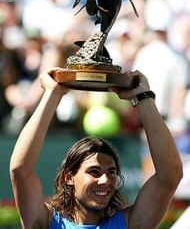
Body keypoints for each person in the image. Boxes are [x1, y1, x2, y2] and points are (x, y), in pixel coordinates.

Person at [9, 67, 183, 229]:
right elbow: (20, 170)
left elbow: (170, 175)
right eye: (94, 171)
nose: (105, 180)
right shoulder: (47, 221)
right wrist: (52, 93)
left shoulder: (129, 223)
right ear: (69, 177)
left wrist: (143, 97)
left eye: (111, 172)